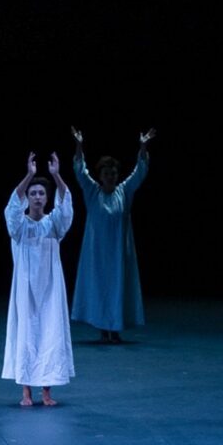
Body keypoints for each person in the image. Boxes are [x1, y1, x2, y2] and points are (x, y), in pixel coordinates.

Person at [2, 152, 75, 407]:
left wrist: (56, 175)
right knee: (27, 333)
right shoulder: (19, 227)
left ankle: (46, 391)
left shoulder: (53, 224)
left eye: (41, 193)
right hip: (25, 289)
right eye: (32, 193)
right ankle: (26, 392)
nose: (36, 197)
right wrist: (29, 175)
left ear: (46, 197)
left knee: (49, 334)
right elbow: (12, 208)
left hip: (50, 289)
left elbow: (65, 208)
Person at [70, 126, 154, 343]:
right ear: (101, 176)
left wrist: (143, 146)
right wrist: (79, 145)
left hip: (118, 253)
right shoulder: (92, 191)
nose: (110, 177)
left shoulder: (124, 192)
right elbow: (80, 171)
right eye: (106, 174)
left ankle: (115, 329)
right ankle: (102, 329)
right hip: (97, 253)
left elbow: (140, 172)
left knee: (117, 288)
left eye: (113, 173)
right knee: (99, 288)